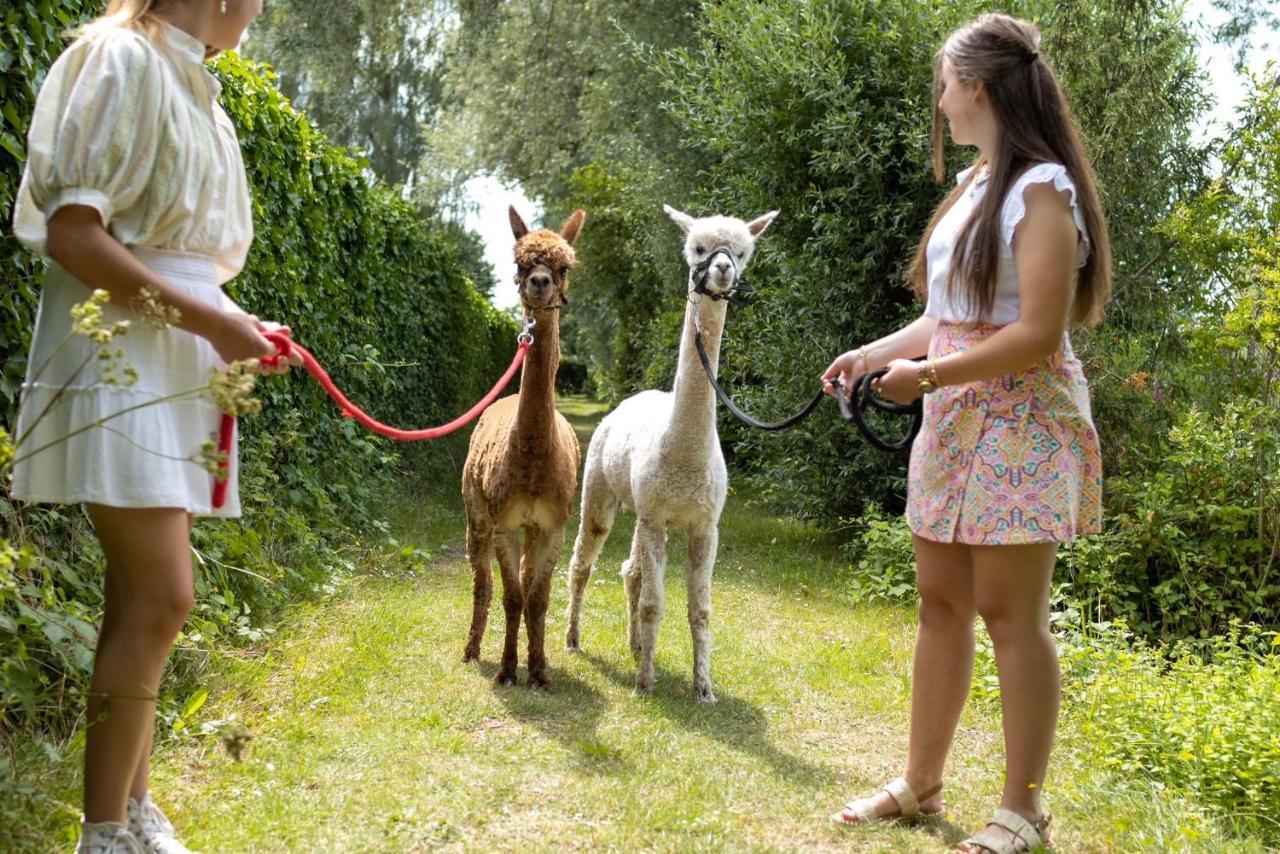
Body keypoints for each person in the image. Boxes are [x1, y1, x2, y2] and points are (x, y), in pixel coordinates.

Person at [11, 1, 299, 851]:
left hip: (173, 353)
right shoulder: (118, 58)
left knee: (141, 598)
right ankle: (102, 837)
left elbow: (184, 255)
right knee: (167, 595)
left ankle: (132, 813)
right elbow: (74, 234)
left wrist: (237, 319)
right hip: (120, 350)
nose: (256, 6)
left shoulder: (200, 91)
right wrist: (212, 326)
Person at [822, 13, 1111, 853]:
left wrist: (932, 378)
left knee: (1008, 614)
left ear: (977, 87)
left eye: (945, 86)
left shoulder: (1043, 189)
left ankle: (1023, 810)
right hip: (955, 421)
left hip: (1022, 420)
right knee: (941, 604)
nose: (941, 102)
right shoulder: (980, 186)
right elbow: (950, 317)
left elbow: (1038, 333)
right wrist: (873, 355)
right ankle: (920, 783)